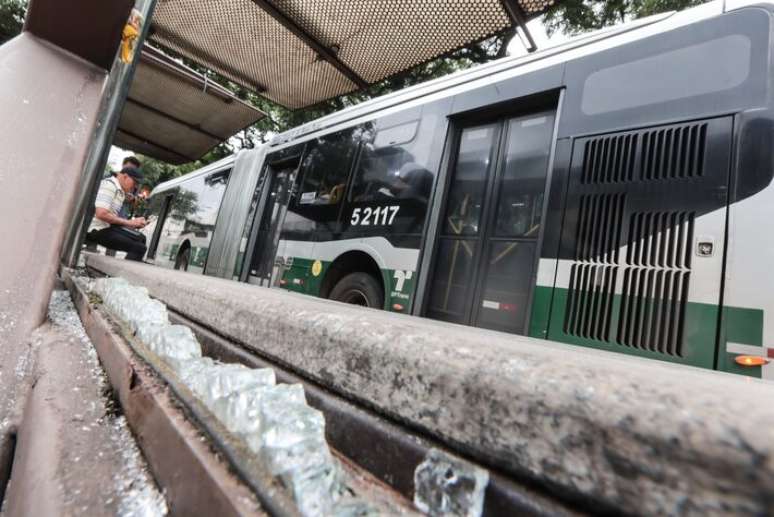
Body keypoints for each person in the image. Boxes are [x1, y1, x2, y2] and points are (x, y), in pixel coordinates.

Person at [85, 166, 148, 261]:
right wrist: (130, 222)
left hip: (106, 226)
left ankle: (128, 268)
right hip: (96, 228)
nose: (135, 186)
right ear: (125, 176)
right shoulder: (110, 186)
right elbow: (101, 214)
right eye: (134, 182)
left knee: (141, 238)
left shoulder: (120, 190)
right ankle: (124, 273)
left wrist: (135, 224)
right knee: (139, 248)